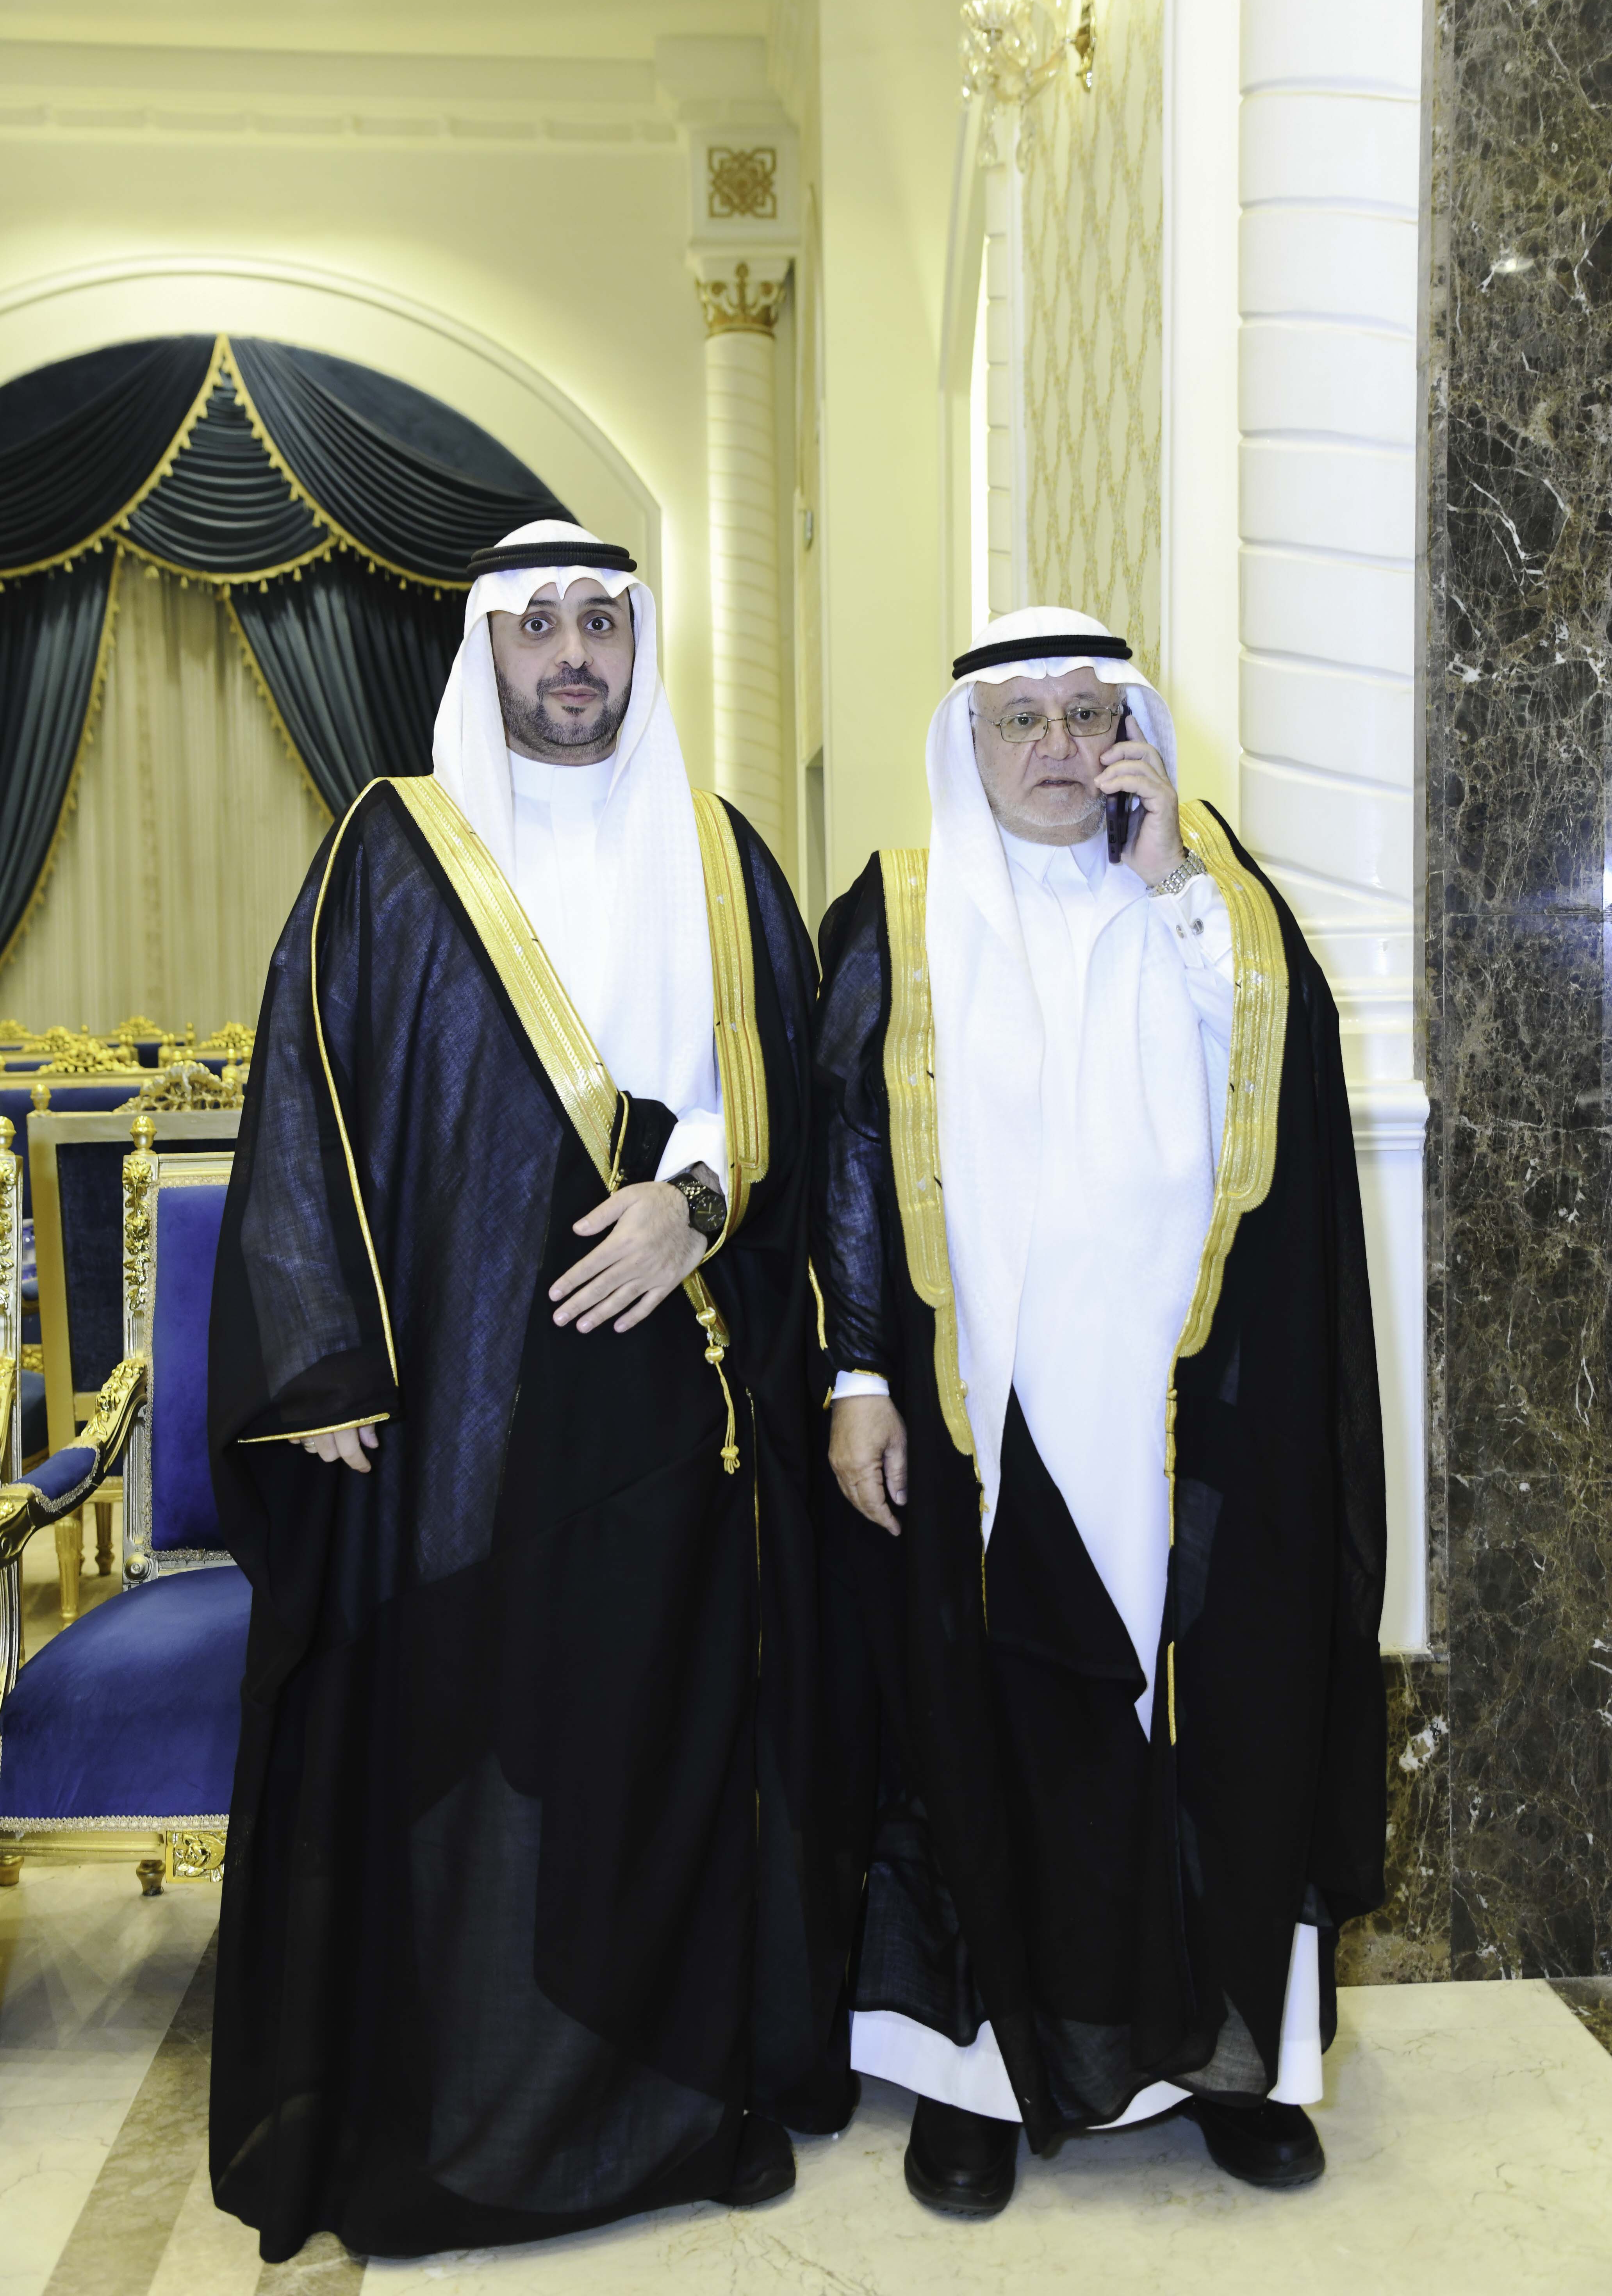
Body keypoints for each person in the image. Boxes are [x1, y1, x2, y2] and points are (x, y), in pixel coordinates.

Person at [209, 521, 842, 2264]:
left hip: (669, 1383)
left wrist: (693, 1206)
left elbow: (782, 1094)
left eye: (602, 623)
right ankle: (469, 2128)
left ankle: (675, 2109)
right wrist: (317, 1358)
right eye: (539, 623)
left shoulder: (721, 855)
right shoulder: (393, 849)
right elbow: (303, 1096)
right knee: (471, 1741)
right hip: (460, 1406)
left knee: (662, 1737)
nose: (574, 654)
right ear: (487, 646)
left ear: (639, 644)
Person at [811, 606, 1387, 2216]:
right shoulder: (899, 911)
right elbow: (848, 1153)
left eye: (1090, 715)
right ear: (971, 743)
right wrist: (858, 1372)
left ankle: (1231, 2064)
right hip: (981, 1408)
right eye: (1025, 720)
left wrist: (1175, 882)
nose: (1060, 749)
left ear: (1133, 733)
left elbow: (1280, 1106)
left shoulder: (1208, 901)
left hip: (1185, 1410)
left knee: (1208, 1725)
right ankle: (976, 2081)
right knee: (985, 1726)